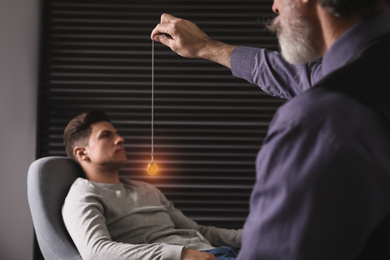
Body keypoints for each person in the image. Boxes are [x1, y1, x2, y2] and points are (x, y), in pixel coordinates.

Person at [151, 0, 390, 259]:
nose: (275, 6)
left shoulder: (314, 122)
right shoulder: (369, 68)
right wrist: (206, 47)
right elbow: (300, 76)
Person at [62, 109, 241, 260]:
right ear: (82, 153)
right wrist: (180, 254)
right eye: (106, 136)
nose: (120, 139)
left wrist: (254, 236)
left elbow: (198, 231)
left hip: (215, 253)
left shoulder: (145, 188)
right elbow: (96, 251)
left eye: (117, 134)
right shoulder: (83, 195)